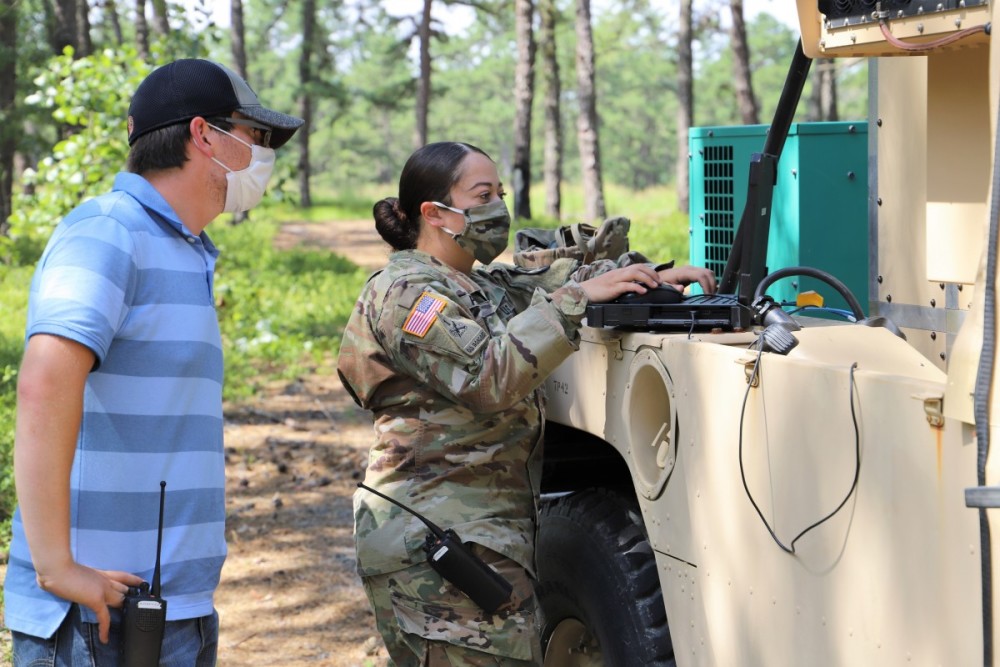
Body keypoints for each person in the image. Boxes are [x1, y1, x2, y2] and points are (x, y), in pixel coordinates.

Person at [337, 141, 715, 666]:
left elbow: (540, 284)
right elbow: (489, 375)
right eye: (482, 194)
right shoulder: (407, 294)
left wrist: (641, 279)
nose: (497, 206)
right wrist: (578, 301)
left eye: (500, 192)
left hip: (475, 540)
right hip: (435, 549)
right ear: (434, 213)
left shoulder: (473, 283)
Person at [3, 59, 303, 665]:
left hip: (171, 611)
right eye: (253, 134)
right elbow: (43, 386)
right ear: (203, 135)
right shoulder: (108, 233)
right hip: (99, 619)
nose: (261, 154)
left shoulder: (183, 248)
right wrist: (58, 566)